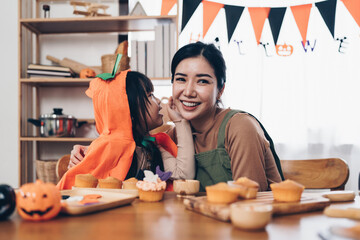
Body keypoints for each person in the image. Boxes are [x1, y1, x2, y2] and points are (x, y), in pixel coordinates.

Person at [166, 41, 283, 191]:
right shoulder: (173, 136)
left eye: (202, 81)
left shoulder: (240, 127)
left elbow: (249, 202)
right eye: (181, 79)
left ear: (220, 90)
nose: (188, 92)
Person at [58, 67, 194, 190]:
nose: (158, 101)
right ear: (127, 111)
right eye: (150, 96)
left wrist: (181, 121)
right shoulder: (110, 146)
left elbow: (183, 175)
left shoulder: (152, 146)